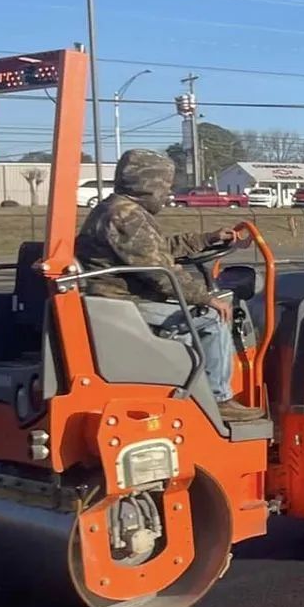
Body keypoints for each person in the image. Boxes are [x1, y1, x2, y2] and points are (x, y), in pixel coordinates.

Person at [74, 148, 262, 421]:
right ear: (148, 184)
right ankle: (220, 399)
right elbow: (161, 274)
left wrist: (208, 238)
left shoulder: (116, 208)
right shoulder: (126, 217)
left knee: (201, 307)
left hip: (114, 297)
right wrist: (206, 298)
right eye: (166, 186)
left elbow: (158, 249)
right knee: (212, 318)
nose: (168, 193)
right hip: (121, 301)